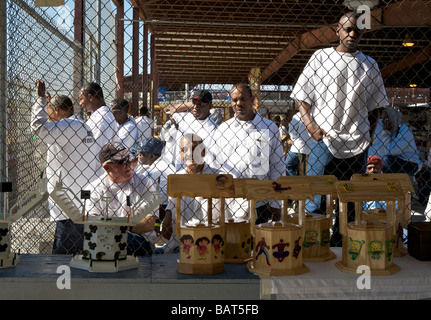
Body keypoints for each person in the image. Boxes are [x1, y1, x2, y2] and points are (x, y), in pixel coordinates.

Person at [290, 12, 389, 245]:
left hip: (357, 142)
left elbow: (376, 107)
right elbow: (302, 98)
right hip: (323, 140)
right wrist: (310, 125)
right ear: (337, 31)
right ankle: (315, 246)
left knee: (351, 201)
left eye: (357, 30)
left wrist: (369, 133)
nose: (352, 34)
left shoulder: (369, 65)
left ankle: (343, 245)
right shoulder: (320, 58)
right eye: (347, 29)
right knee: (316, 200)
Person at [30, 80, 98, 254]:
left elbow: (39, 128)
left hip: (68, 207)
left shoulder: (69, 126)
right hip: (75, 202)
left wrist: (40, 100)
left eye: (50, 112)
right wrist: (49, 105)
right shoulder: (78, 125)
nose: (48, 116)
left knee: (63, 261)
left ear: (58, 111)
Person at [212, 83, 285, 223]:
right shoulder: (223, 130)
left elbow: (277, 165)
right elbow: (216, 166)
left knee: (258, 243)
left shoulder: (269, 127)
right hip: (230, 201)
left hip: (260, 202)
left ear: (252, 100)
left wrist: (276, 203)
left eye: (243, 99)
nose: (239, 103)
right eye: (234, 100)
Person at [85, 141, 168, 256]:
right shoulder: (94, 188)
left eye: (128, 158)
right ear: (107, 167)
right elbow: (93, 222)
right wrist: (128, 225)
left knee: (122, 241)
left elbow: (149, 223)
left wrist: (117, 227)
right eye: (121, 162)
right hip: (105, 240)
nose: (128, 164)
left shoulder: (144, 182)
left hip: (139, 241)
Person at [164, 134, 222, 253]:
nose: (190, 153)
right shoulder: (176, 180)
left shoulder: (219, 179)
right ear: (180, 154)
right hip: (181, 245)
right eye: (185, 150)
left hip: (210, 244)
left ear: (204, 151)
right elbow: (169, 217)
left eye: (195, 148)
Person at [169, 89, 218, 167]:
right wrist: (190, 104)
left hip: (198, 171)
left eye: (200, 104)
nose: (195, 107)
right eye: (194, 103)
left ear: (210, 106)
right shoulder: (186, 116)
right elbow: (172, 110)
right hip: (179, 168)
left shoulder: (213, 129)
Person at [79, 82, 117, 176]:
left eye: (81, 99)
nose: (80, 103)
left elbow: (95, 153)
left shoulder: (99, 121)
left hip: (94, 177)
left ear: (90, 97)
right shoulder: (105, 115)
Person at [381, 108, 423, 176]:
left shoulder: (405, 130)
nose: (383, 121)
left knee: (385, 160)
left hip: (411, 163)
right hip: (397, 161)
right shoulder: (392, 132)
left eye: (386, 118)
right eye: (382, 119)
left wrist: (385, 132)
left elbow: (391, 151)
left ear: (392, 118)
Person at [285, 112, 313, 176]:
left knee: (288, 166)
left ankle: (293, 182)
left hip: (299, 145)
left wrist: (294, 139)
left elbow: (291, 129)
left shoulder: (298, 115)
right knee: (307, 167)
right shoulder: (314, 113)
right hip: (312, 145)